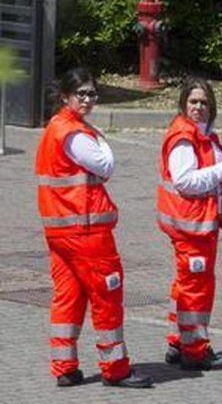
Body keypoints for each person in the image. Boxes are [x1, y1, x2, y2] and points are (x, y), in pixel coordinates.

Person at [35, 68, 153, 388]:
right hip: (85, 231)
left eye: (92, 94)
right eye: (81, 94)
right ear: (65, 96)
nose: (87, 100)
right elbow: (105, 165)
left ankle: (64, 367)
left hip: (61, 230)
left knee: (69, 296)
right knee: (107, 296)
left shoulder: (56, 128)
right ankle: (115, 368)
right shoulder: (73, 131)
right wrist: (99, 135)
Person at [157, 81, 222, 370]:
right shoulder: (185, 138)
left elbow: (209, 175)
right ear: (184, 104)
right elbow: (185, 180)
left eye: (203, 103)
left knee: (185, 285)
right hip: (192, 225)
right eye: (193, 102)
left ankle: (178, 340)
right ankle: (195, 350)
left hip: (196, 224)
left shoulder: (204, 136)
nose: (198, 108)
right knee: (195, 288)